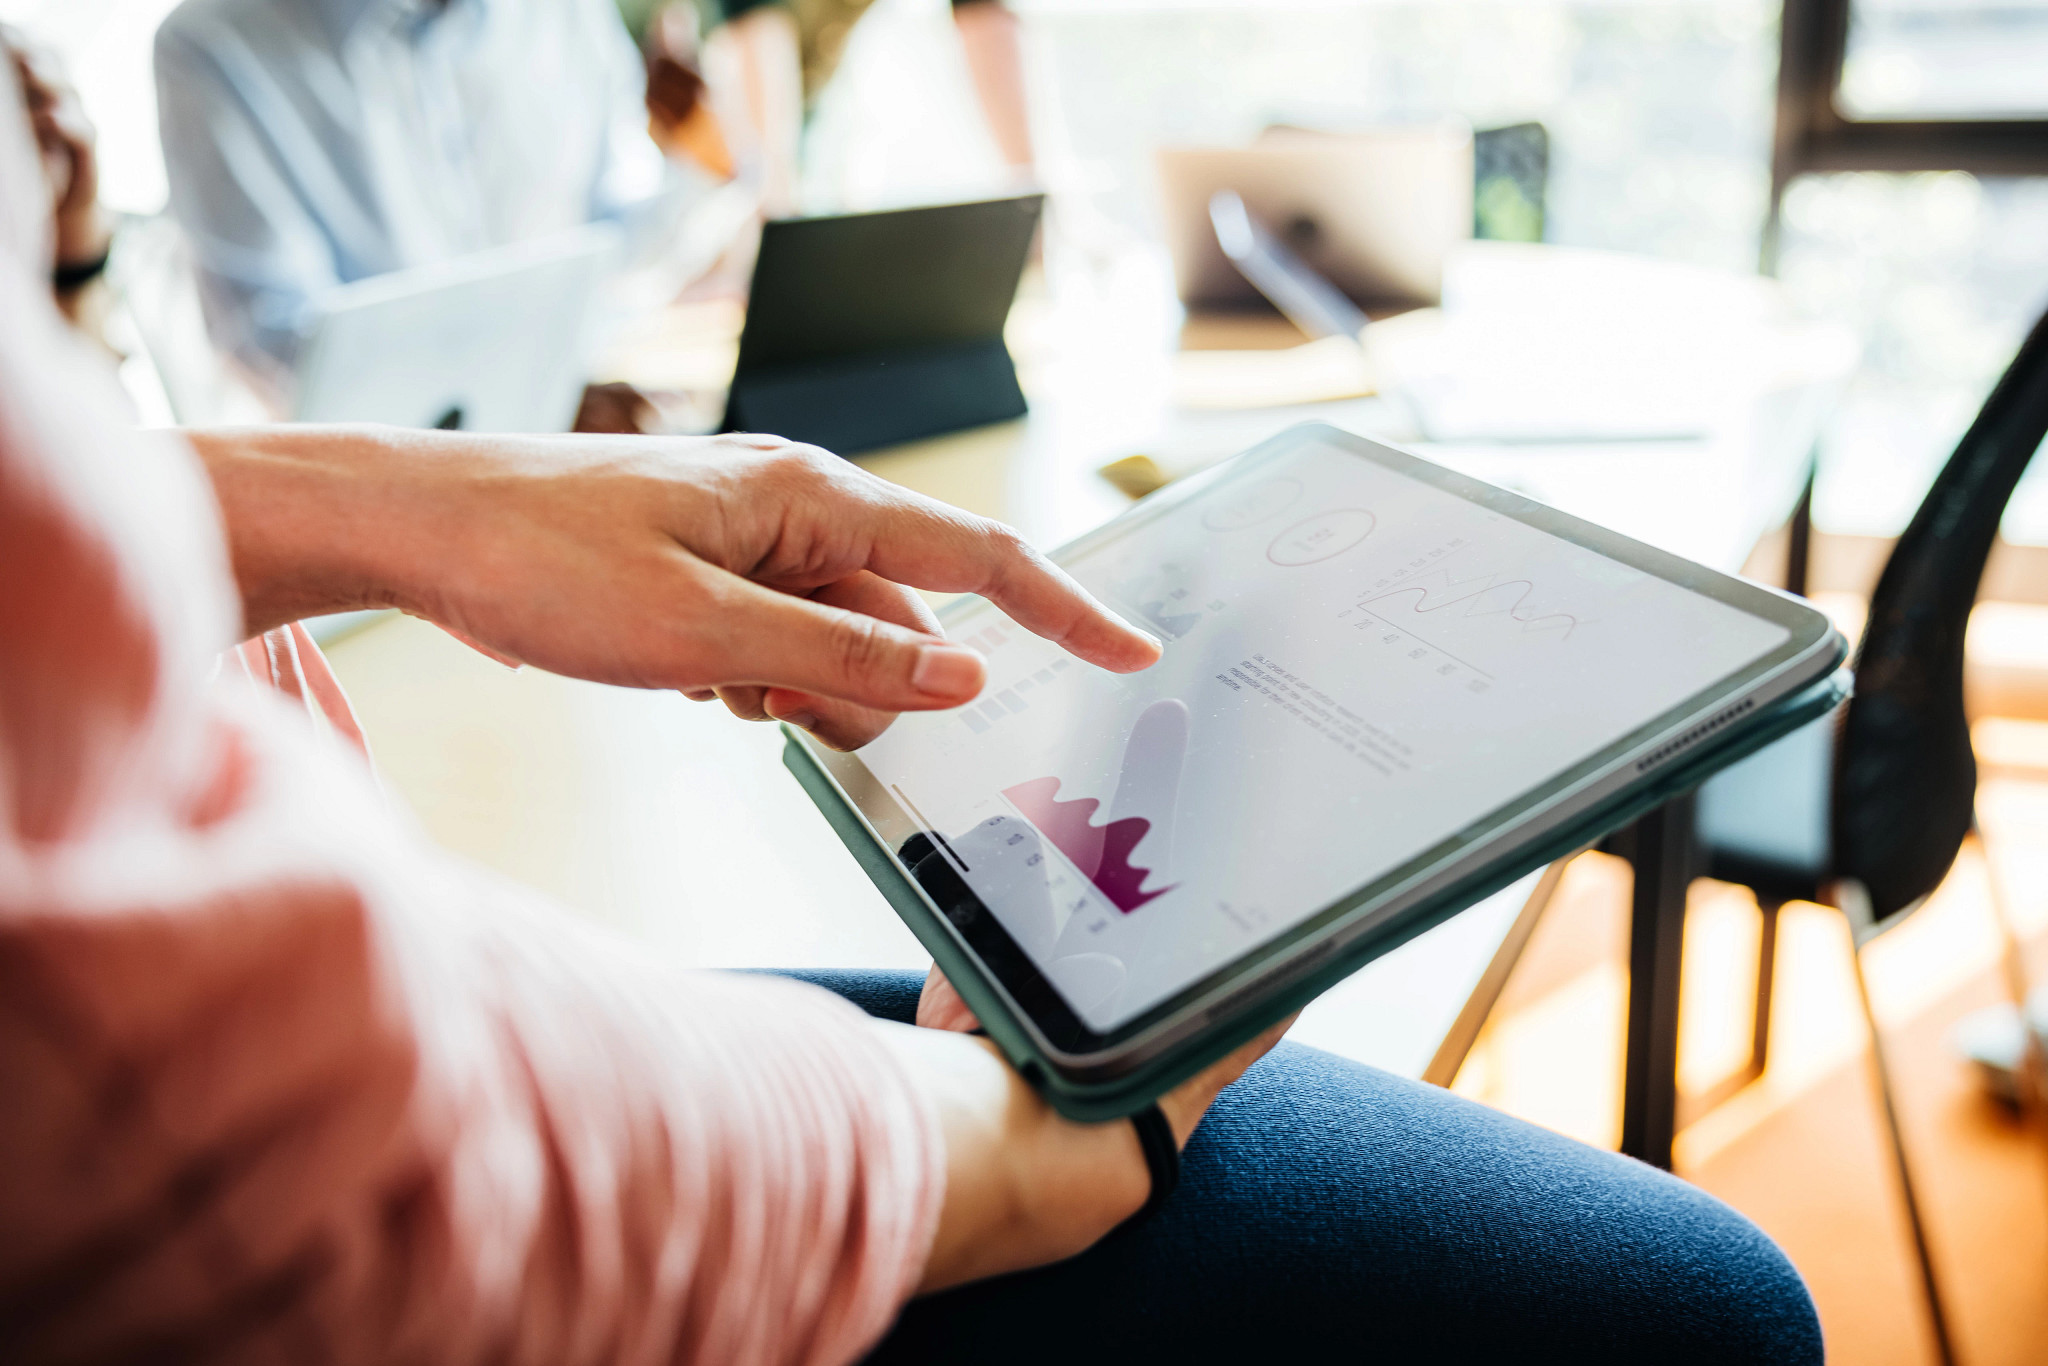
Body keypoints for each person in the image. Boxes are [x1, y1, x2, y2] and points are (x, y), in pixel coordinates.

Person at [0, 68, 1823, 1366]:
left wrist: (391, 507)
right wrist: (1035, 1151)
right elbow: (358, 1193)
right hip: (403, 1150)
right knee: (1694, 1314)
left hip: (377, 988)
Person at [152, 0, 674, 431]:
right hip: (385, 485)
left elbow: (619, 235)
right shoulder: (213, 44)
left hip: (591, 426)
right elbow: (274, 343)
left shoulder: (565, 13)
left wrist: (699, 159)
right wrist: (534, 398)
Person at [669, 0, 1035, 217]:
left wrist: (1031, 196)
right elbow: (758, 34)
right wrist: (776, 215)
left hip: (814, 97)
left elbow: (983, 15)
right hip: (687, 125)